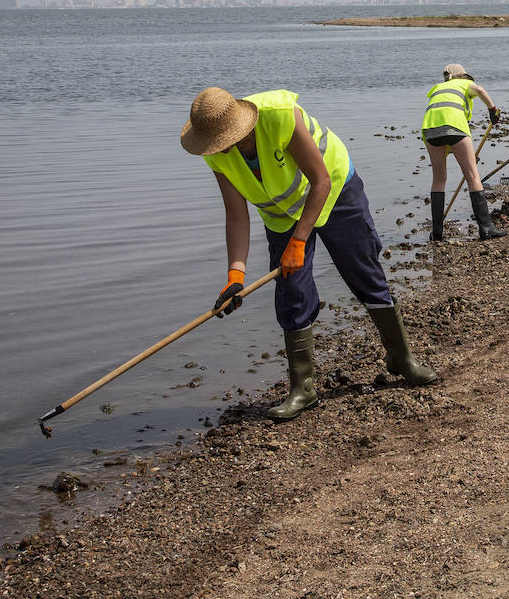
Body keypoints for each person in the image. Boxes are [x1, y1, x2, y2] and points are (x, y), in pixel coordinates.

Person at [180, 86, 436, 423]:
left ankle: (402, 359)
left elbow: (321, 181)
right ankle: (303, 388)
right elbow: (236, 215)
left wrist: (299, 242)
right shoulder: (215, 152)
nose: (219, 148)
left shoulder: (281, 116)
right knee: (292, 291)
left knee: (364, 275)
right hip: (282, 214)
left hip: (335, 192)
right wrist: (235, 276)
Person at [422, 64, 506, 242]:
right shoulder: (464, 84)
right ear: (463, 76)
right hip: (455, 128)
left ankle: (437, 232)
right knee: (472, 177)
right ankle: (486, 228)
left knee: (438, 179)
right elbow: (480, 90)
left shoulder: (437, 88)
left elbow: (441, 113)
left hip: (430, 129)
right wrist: (492, 110)